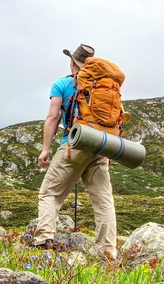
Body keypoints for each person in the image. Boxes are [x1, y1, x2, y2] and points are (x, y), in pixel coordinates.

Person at [33, 43, 117, 259]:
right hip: (102, 145)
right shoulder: (106, 86)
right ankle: (107, 253)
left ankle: (44, 242)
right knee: (103, 201)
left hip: (75, 143)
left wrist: (45, 150)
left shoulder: (61, 84)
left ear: (72, 62)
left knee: (49, 193)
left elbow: (53, 117)